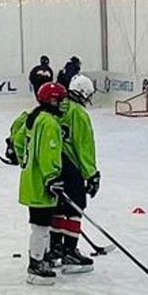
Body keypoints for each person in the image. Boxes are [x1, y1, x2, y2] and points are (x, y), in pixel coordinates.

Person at [11, 81, 69, 285]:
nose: (62, 103)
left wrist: (24, 162)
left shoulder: (33, 118)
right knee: (41, 227)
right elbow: (48, 153)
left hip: (29, 180)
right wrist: (52, 177)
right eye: (59, 99)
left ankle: (40, 259)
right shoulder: (49, 123)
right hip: (41, 184)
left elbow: (17, 141)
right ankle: (35, 266)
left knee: (39, 225)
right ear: (50, 100)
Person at [49, 74, 99, 274]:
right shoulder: (79, 113)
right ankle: (70, 252)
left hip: (54, 165)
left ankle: (55, 249)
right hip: (73, 169)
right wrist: (92, 174)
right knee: (76, 208)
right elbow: (85, 146)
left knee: (59, 208)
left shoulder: (55, 107)